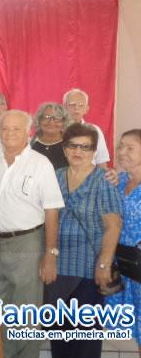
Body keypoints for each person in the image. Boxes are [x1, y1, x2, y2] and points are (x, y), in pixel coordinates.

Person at [0, 110, 64, 358]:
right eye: (4, 128)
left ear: (28, 132)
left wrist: (50, 255)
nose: (9, 133)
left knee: (26, 314)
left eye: (16, 129)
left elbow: (52, 211)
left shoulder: (40, 164)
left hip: (27, 245)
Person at [44, 123, 122, 358]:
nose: (78, 151)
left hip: (89, 269)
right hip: (56, 268)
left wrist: (104, 264)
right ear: (65, 149)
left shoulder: (104, 180)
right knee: (59, 334)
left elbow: (113, 225)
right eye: (73, 146)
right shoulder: (54, 177)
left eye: (85, 147)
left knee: (85, 337)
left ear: (94, 151)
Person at [106, 129, 141, 354]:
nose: (122, 152)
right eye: (120, 147)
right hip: (124, 268)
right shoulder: (119, 184)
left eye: (130, 148)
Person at [63, 88, 109, 168]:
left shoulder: (95, 130)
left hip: (90, 177)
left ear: (86, 109)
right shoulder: (56, 129)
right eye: (72, 104)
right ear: (64, 107)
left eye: (81, 105)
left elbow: (101, 161)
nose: (76, 108)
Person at [30, 102, 70, 170]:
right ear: (39, 120)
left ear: (64, 122)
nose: (51, 122)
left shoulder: (70, 145)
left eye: (57, 118)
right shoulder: (29, 143)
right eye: (46, 117)